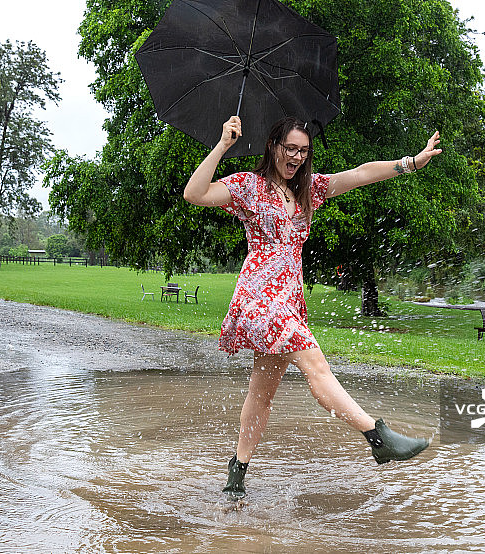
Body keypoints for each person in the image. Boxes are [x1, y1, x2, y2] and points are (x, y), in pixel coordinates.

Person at [183, 115, 442, 500]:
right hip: (261, 297)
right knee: (316, 364)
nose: (297, 157)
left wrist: (410, 163)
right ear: (273, 146)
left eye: (303, 151)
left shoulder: (309, 190)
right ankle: (378, 438)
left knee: (261, 393)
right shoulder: (248, 186)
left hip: (287, 299)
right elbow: (195, 193)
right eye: (290, 148)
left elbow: (359, 174)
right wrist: (223, 145)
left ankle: (236, 473)